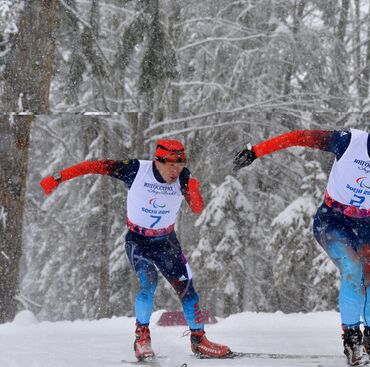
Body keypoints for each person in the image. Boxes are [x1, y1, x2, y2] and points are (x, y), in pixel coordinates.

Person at [232, 105, 370, 366]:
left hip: (361, 225)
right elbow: (298, 136)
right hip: (330, 221)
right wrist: (256, 151)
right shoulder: (348, 141)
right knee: (353, 269)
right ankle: (352, 342)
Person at [40, 140, 232, 361]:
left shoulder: (184, 177)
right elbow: (95, 165)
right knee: (148, 285)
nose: (175, 170)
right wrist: (58, 178)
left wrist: (194, 189)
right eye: (171, 165)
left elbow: (197, 208)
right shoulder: (136, 169)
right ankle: (142, 337)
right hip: (138, 241)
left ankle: (199, 341)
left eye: (180, 164)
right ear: (157, 161)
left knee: (188, 291)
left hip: (167, 242)